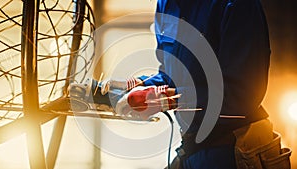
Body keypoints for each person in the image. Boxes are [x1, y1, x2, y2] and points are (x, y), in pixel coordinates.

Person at [75, 0, 272, 168]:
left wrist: (165, 100)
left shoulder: (238, 5)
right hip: (194, 146)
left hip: (238, 149)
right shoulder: (166, 3)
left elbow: (241, 96)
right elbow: (171, 77)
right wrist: (131, 86)